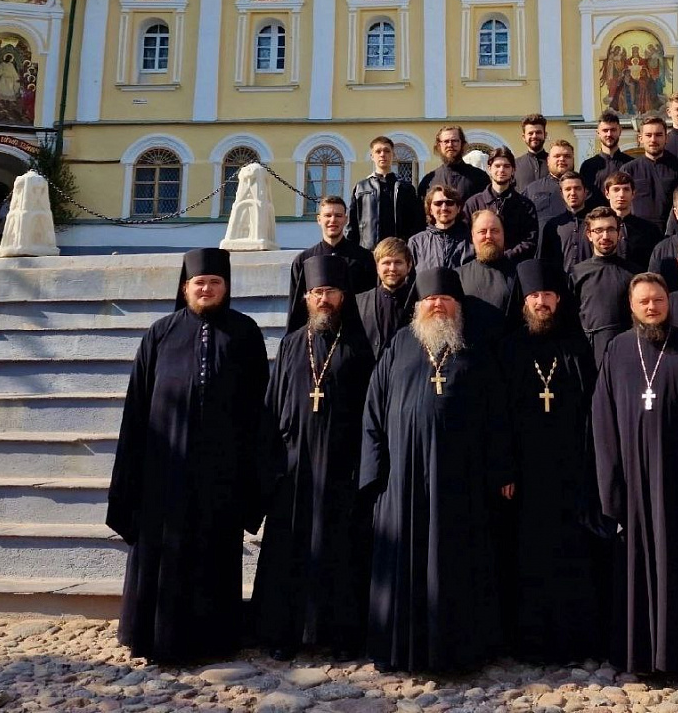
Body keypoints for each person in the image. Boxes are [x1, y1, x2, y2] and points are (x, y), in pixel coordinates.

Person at [108, 248, 269, 663]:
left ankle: (215, 640)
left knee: (216, 551)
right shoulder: (160, 333)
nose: (207, 289)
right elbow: (137, 406)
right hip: (164, 468)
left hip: (222, 470)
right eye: (200, 283)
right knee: (162, 551)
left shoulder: (246, 333)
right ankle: (153, 637)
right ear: (185, 287)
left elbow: (260, 406)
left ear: (226, 288)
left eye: (215, 283)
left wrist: (254, 471)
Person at [360, 267, 513, 672]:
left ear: (457, 306)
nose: (438, 304)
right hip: (404, 480)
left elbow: (497, 414)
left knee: (458, 557)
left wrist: (500, 471)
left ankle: (461, 648)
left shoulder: (474, 350)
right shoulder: (398, 345)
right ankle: (401, 647)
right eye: (430, 299)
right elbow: (373, 410)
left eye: (446, 299)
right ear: (419, 306)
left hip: (460, 479)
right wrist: (375, 473)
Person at [591, 273, 678, 677]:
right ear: (631, 307)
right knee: (636, 568)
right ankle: (640, 658)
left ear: (670, 303)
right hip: (633, 484)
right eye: (644, 302)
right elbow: (602, 419)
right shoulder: (616, 349)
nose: (652, 307)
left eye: (659, 301)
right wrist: (610, 485)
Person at [253, 257, 376, 660]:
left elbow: (370, 411)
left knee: (339, 548)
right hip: (294, 466)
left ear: (344, 297)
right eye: (317, 292)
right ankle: (282, 634)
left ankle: (338, 635)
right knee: (289, 548)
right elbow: (272, 406)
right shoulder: (291, 344)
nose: (324, 299)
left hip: (341, 465)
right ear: (306, 297)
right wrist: (271, 464)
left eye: (331, 292)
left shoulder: (359, 348)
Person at [497, 260, 602, 663]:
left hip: (570, 468)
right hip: (524, 474)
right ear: (524, 303)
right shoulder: (509, 349)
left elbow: (593, 410)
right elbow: (499, 415)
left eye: (547, 295)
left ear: (559, 300)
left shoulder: (576, 347)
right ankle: (530, 642)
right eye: (534, 296)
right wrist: (505, 468)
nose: (541, 302)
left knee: (571, 553)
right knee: (528, 555)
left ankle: (574, 640)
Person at [287, 197, 376, 332]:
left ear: (345, 220)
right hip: (316, 335)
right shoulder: (303, 261)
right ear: (319, 219)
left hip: (354, 334)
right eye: (328, 215)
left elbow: (370, 303)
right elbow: (296, 308)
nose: (333, 220)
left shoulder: (364, 258)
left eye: (338, 216)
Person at [571, 206, 638, 367]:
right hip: (588, 355)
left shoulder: (635, 274)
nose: (605, 236)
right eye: (599, 230)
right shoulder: (576, 274)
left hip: (628, 353)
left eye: (610, 229)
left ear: (619, 233)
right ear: (589, 234)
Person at [464, 146, 539, 263]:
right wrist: (484, 255)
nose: (501, 170)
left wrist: (506, 256)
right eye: (497, 166)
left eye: (506, 166)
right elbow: (465, 238)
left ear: (513, 170)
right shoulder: (473, 203)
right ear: (489, 169)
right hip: (481, 266)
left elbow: (530, 241)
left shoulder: (525, 205)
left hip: (514, 268)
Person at [346, 136, 422, 250]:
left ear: (393, 155)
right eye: (378, 151)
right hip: (369, 251)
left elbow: (416, 223)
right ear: (372, 156)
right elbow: (352, 223)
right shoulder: (361, 187)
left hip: (399, 251)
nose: (382, 154)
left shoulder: (406, 188)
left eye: (387, 151)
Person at [622, 115, 678, 231]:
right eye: (648, 135)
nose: (653, 140)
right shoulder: (628, 170)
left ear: (667, 138)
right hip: (638, 234)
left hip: (671, 233)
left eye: (658, 135)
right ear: (640, 138)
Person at [458, 209, 520, 333]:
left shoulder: (519, 274)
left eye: (494, 231)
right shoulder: (458, 276)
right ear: (472, 236)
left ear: (503, 234)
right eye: (482, 231)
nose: (489, 236)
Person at [356, 237, 416, 360]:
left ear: (409, 266)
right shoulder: (359, 302)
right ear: (377, 267)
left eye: (398, 262)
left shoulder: (419, 301)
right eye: (386, 263)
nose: (392, 269)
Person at [417, 124, 489, 204]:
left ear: (462, 144)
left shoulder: (480, 177)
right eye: (446, 141)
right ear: (439, 145)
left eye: (454, 141)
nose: (450, 145)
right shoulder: (428, 181)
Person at [539, 169, 594, 275]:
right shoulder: (552, 226)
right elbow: (545, 260)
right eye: (568, 189)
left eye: (577, 188)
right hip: (561, 286)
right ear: (561, 193)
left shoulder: (596, 223)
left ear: (585, 191)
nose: (573, 193)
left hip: (591, 283)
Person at [408, 184, 473, 271]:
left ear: (458, 208)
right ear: (430, 210)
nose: (444, 208)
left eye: (449, 203)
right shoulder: (416, 243)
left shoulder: (471, 241)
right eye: (438, 203)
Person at [603, 170, 661, 269]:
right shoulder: (598, 230)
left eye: (626, 189)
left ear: (633, 194)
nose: (621, 195)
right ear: (607, 194)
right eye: (616, 189)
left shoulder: (650, 230)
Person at [523, 139, 579, 229]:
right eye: (557, 156)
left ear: (573, 159)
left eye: (567, 156)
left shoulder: (585, 189)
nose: (562, 159)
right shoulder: (532, 189)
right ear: (548, 160)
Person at [580, 109, 631, 200]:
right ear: (598, 133)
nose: (609, 134)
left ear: (620, 131)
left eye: (613, 130)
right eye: (605, 130)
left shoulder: (631, 164)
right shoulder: (588, 166)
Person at [515, 113, 549, 191]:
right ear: (524, 137)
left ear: (545, 135)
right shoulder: (515, 165)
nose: (534, 136)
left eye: (538, 132)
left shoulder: (555, 163)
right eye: (530, 133)